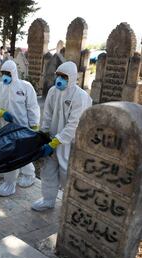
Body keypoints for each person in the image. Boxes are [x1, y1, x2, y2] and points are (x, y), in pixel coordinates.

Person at [32, 61, 92, 211]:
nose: (59, 79)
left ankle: (72, 204)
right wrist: (44, 135)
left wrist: (57, 141)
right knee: (48, 171)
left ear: (71, 77)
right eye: (58, 75)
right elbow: (47, 115)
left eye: (64, 76)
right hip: (51, 139)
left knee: (67, 173)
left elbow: (74, 124)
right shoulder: (53, 91)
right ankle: (48, 199)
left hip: (69, 143)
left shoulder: (80, 96)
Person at [0, 60, 40, 197]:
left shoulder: (25, 87)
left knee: (20, 154)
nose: (5, 76)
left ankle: (21, 179)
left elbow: (32, 107)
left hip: (23, 128)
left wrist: (34, 127)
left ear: (14, 73)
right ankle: (17, 180)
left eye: (8, 73)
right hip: (6, 129)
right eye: (3, 73)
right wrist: (1, 112)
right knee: (11, 154)